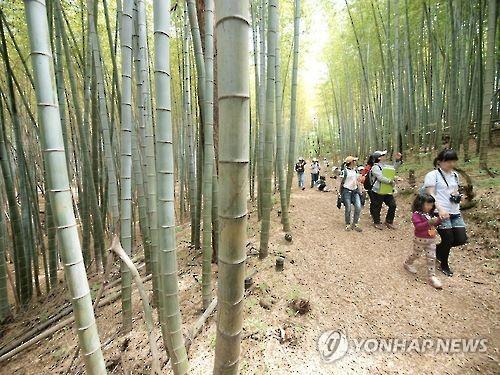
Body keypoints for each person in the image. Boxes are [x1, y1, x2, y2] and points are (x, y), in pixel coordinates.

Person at [424, 149, 467, 277]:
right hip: (439, 211)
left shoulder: (455, 175)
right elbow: (430, 194)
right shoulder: (433, 175)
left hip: (454, 211)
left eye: (453, 161)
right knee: (448, 238)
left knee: (461, 239)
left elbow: (454, 191)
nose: (451, 164)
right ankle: (444, 264)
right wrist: (440, 208)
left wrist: (458, 196)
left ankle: (437, 250)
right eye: (448, 161)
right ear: (439, 162)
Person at [403, 193, 443, 289]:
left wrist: (439, 219)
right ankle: (408, 263)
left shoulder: (429, 214)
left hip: (431, 239)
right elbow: (418, 227)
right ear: (420, 204)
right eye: (428, 204)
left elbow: (435, 223)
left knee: (431, 257)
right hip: (420, 239)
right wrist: (429, 222)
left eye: (431, 204)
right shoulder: (416, 215)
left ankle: (431, 276)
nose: (430, 206)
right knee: (416, 254)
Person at [369, 150, 403, 230]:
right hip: (378, 190)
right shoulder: (375, 167)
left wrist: (398, 160)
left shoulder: (385, 165)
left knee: (392, 205)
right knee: (377, 206)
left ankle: (389, 221)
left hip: (387, 190)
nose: (385, 156)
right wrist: (390, 181)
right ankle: (377, 222)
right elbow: (380, 177)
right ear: (379, 158)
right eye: (383, 155)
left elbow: (394, 169)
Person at [339, 156, 363, 232]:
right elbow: (341, 182)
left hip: (355, 191)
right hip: (347, 191)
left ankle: (355, 223)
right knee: (348, 208)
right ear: (351, 162)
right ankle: (347, 224)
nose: (355, 162)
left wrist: (360, 190)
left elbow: (357, 181)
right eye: (354, 161)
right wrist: (339, 192)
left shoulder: (355, 171)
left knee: (358, 207)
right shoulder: (344, 171)